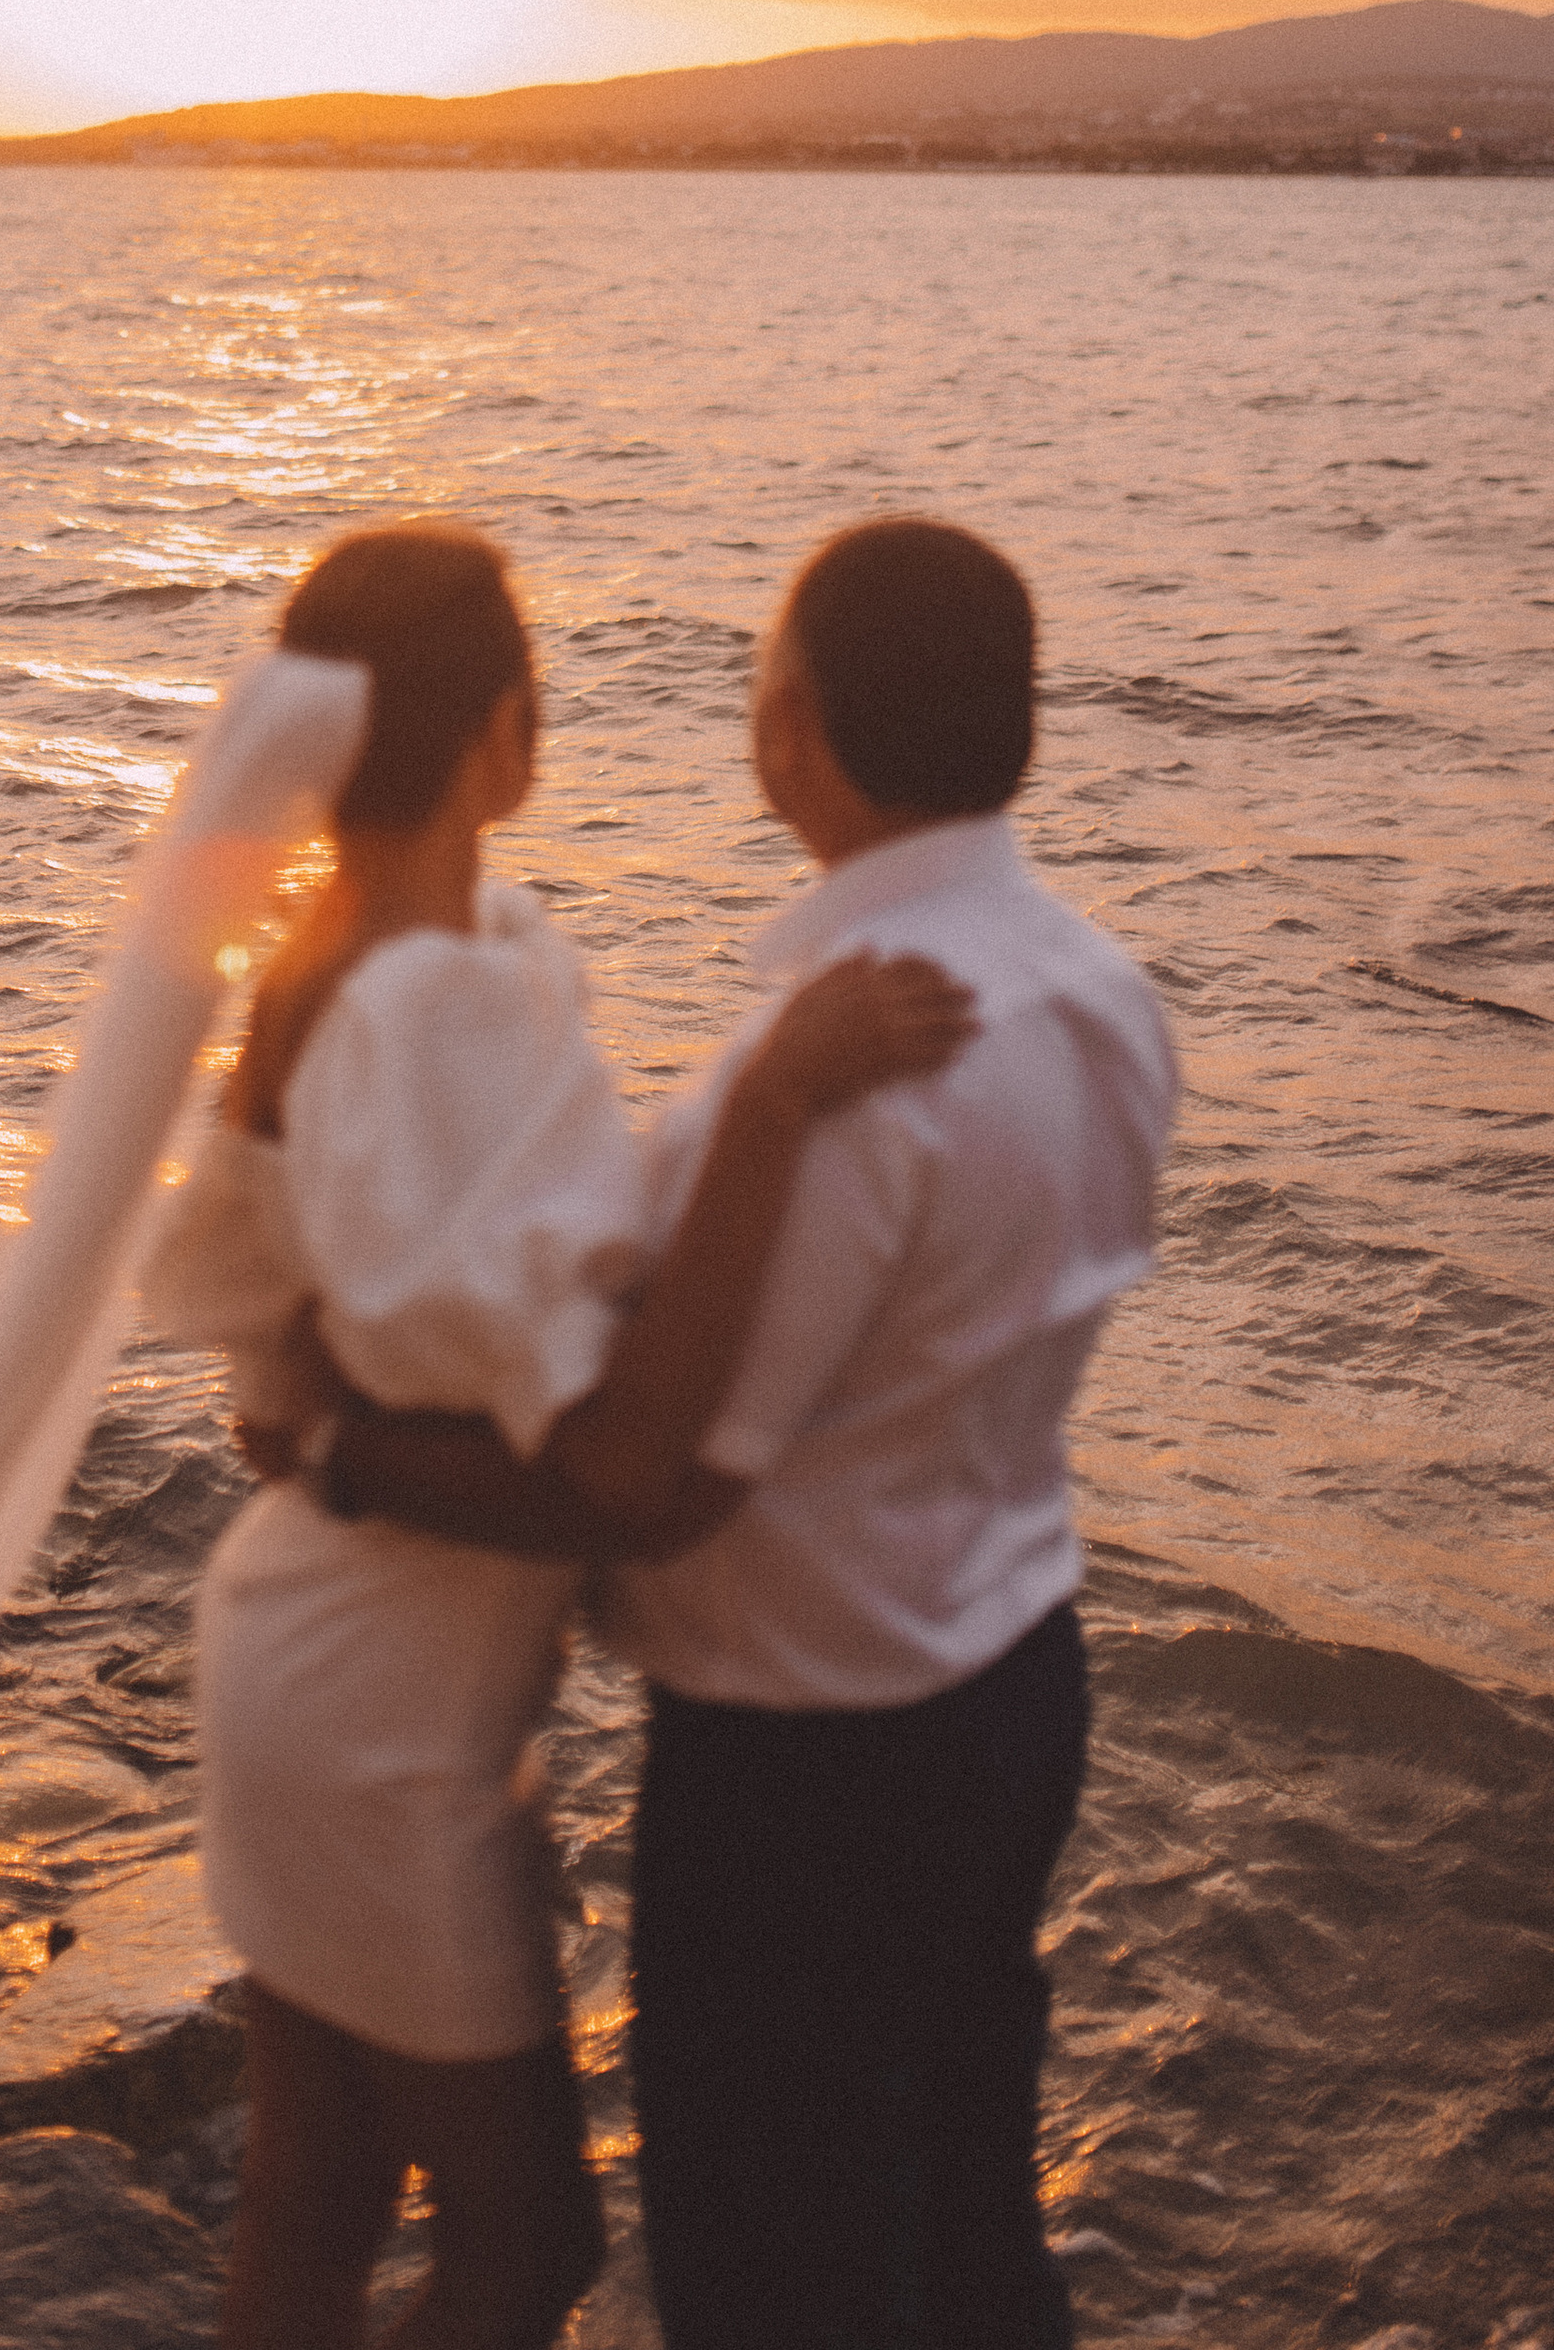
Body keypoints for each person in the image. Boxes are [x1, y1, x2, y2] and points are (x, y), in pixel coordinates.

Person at [301, 516, 1182, 2350]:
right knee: (968, 2216)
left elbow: (659, 1484)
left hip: (810, 1766)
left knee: (777, 2264)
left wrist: (348, 1456)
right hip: (1019, 1687)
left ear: (796, 726)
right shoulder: (1109, 998)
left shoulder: (848, 1070)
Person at [146, 521, 976, 2350]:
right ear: (506, 729)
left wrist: (335, 1439)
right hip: (378, 1718)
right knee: (530, 2244)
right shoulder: (416, 1002)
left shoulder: (376, 956)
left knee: (318, 2191)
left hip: (326, 1658)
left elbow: (279, 1355)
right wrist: (776, 1096)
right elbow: (612, 1469)